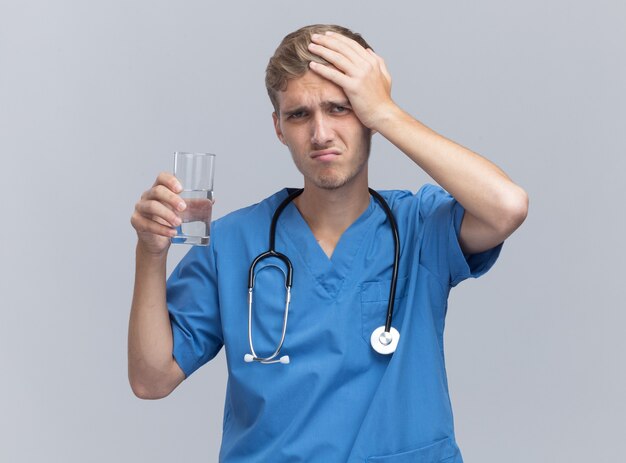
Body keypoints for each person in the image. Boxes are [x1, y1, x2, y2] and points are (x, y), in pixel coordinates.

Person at [128, 24, 528, 462]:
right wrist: (151, 253)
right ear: (279, 127)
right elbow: (151, 379)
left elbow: (507, 206)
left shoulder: (419, 227)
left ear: (366, 117)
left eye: (340, 108)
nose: (320, 133)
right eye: (299, 114)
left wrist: (386, 112)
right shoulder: (233, 243)